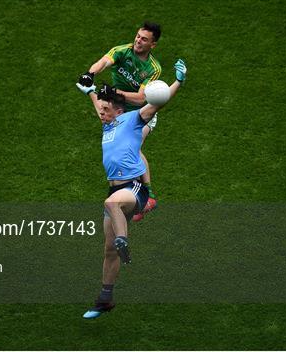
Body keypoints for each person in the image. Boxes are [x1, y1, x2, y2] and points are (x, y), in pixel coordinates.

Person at [75, 59, 187, 319]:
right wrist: (91, 92)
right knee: (108, 249)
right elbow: (98, 103)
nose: (100, 113)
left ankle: (124, 239)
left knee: (112, 206)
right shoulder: (108, 123)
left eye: (104, 110)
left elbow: (160, 100)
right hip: (113, 189)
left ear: (116, 110)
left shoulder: (134, 119)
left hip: (134, 188)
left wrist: (178, 81)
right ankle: (105, 298)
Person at [78, 21, 162, 222]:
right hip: (118, 110)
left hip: (141, 113)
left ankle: (148, 195)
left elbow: (142, 98)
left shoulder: (153, 69)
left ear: (153, 45)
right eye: (138, 36)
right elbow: (104, 62)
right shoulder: (122, 51)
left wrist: (116, 92)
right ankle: (131, 197)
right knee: (106, 123)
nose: (138, 41)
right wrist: (91, 74)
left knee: (132, 147)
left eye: (144, 39)